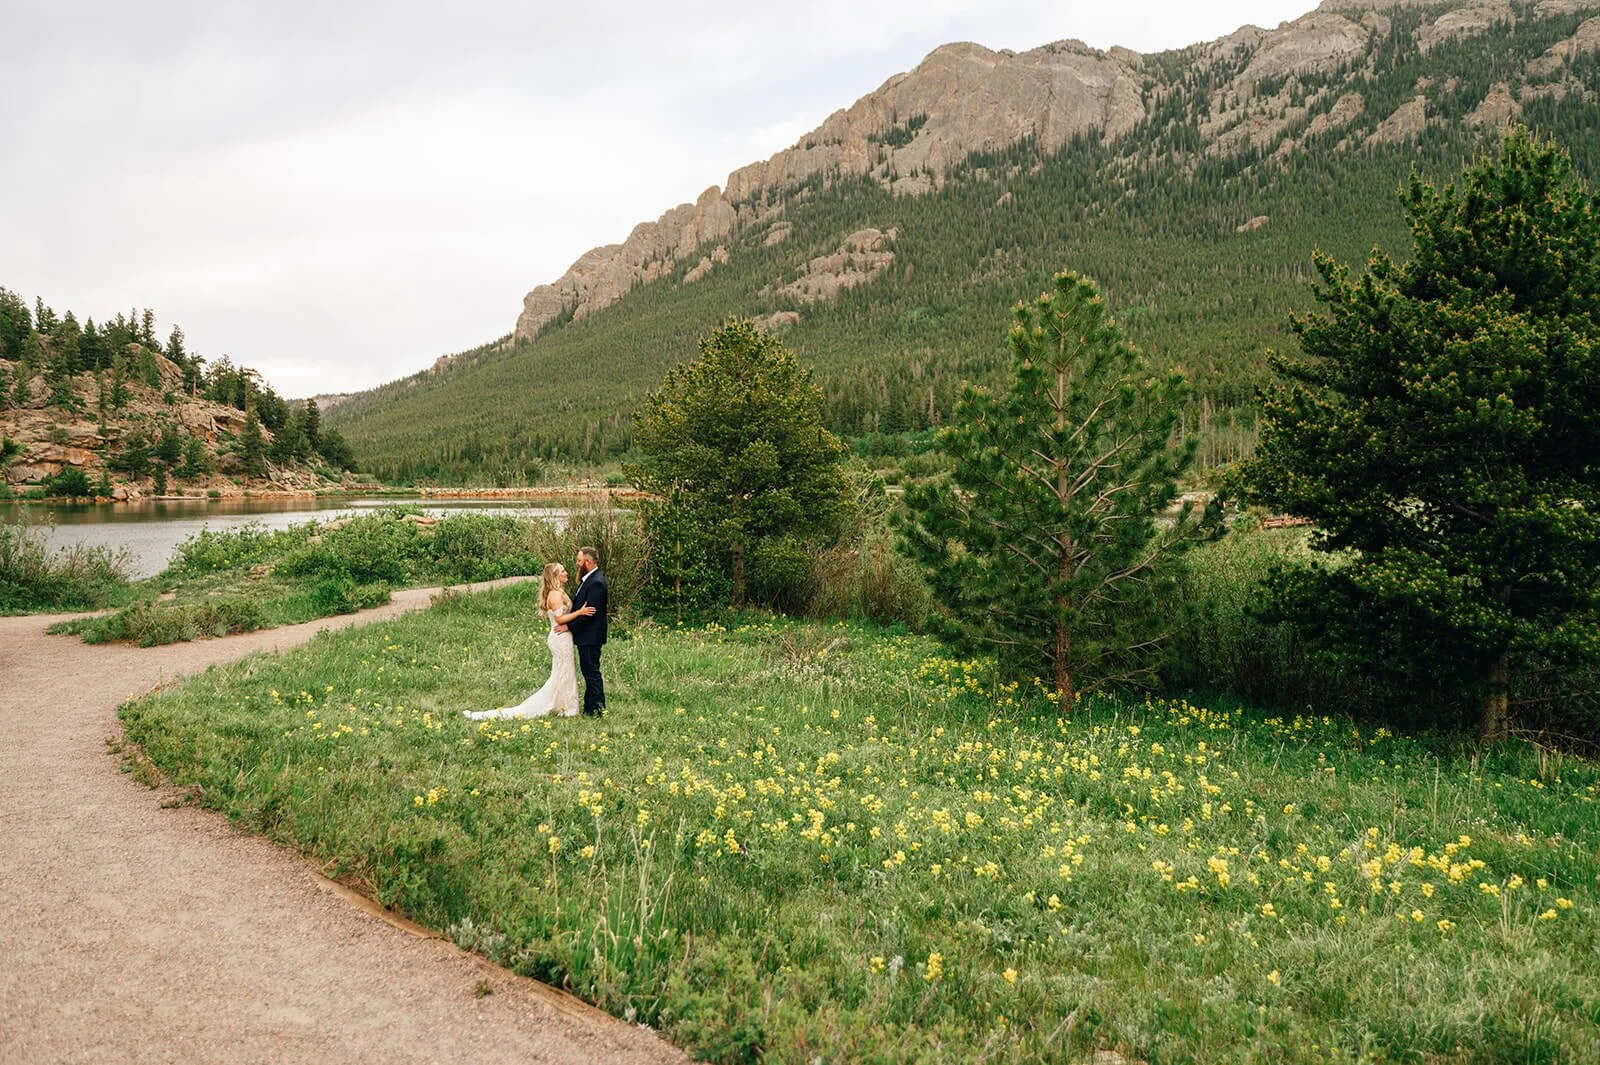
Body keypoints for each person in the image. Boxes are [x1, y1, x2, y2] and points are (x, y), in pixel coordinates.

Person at [465, 562, 593, 720]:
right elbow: (560, 619)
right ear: (555, 576)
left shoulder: (560, 592)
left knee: (565, 672)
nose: (566, 573)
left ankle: (564, 706)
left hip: (564, 637)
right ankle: (566, 708)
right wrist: (580, 612)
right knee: (563, 672)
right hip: (559, 638)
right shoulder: (554, 594)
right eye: (562, 571)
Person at [566, 546, 608, 715]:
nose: (577, 564)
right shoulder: (589, 579)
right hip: (587, 636)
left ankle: (597, 708)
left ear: (588, 562)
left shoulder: (596, 582)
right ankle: (589, 707)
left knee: (591, 672)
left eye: (579, 560)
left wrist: (568, 627)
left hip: (591, 636)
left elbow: (588, 614)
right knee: (588, 671)